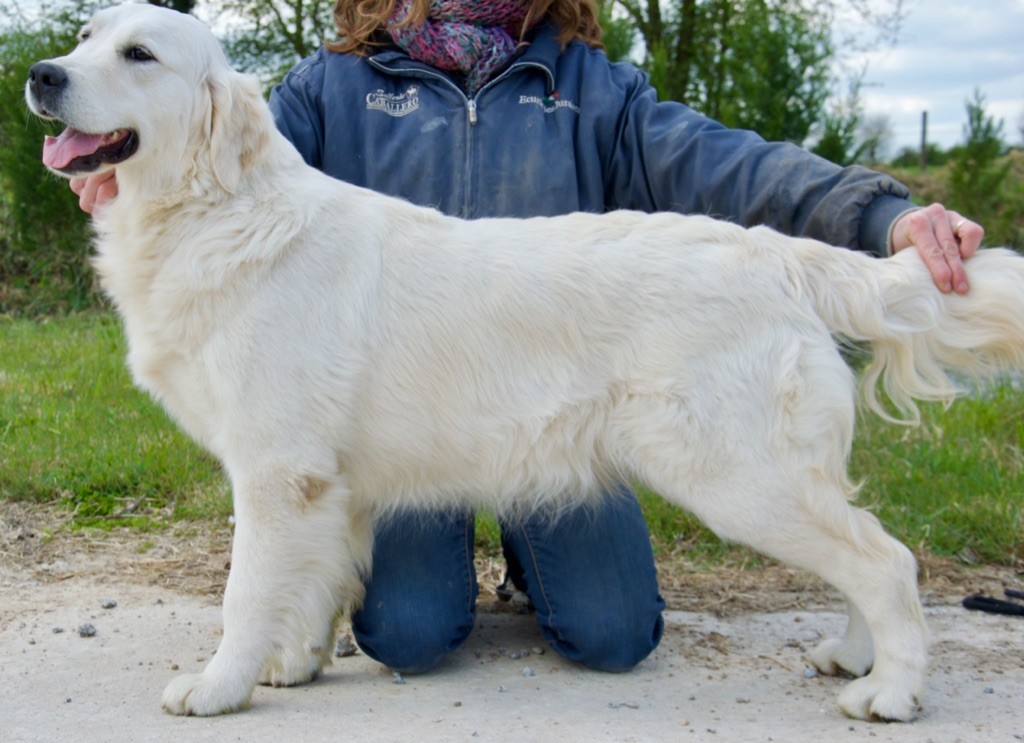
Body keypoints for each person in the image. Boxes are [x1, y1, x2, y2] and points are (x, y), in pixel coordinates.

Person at [72, 0, 984, 676]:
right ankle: (300, 634)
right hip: (420, 439)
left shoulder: (591, 84)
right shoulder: (330, 86)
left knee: (617, 632)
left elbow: (729, 161)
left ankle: (885, 616)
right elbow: (218, 151)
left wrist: (886, 220)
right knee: (410, 636)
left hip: (579, 377)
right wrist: (122, 156)